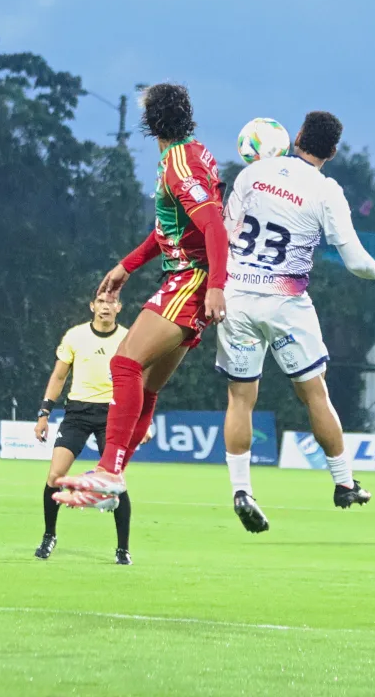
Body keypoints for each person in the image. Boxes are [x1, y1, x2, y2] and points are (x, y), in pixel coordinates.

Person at [216, 111, 375, 532]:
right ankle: (344, 484)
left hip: (237, 299)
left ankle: (242, 490)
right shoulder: (326, 190)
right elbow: (356, 262)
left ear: (297, 136)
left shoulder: (253, 173)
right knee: (314, 394)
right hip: (285, 304)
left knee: (240, 398)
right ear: (333, 152)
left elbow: (223, 234)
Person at [55, 83, 230, 507]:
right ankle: (112, 479)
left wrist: (216, 286)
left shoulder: (180, 166)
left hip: (190, 279)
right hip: (189, 278)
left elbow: (213, 226)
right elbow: (170, 229)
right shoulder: (189, 153)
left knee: (124, 362)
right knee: (147, 385)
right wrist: (126, 266)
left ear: (150, 121)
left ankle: (108, 470)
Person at [34, 294, 137, 565]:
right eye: (100, 301)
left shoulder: (128, 338)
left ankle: (123, 549)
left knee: (116, 482)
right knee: (55, 476)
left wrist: (142, 420)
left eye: (111, 302)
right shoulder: (75, 336)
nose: (105, 306)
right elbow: (59, 376)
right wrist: (44, 413)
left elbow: (139, 381)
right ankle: (49, 535)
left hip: (113, 415)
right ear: (92, 306)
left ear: (119, 308)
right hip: (77, 414)